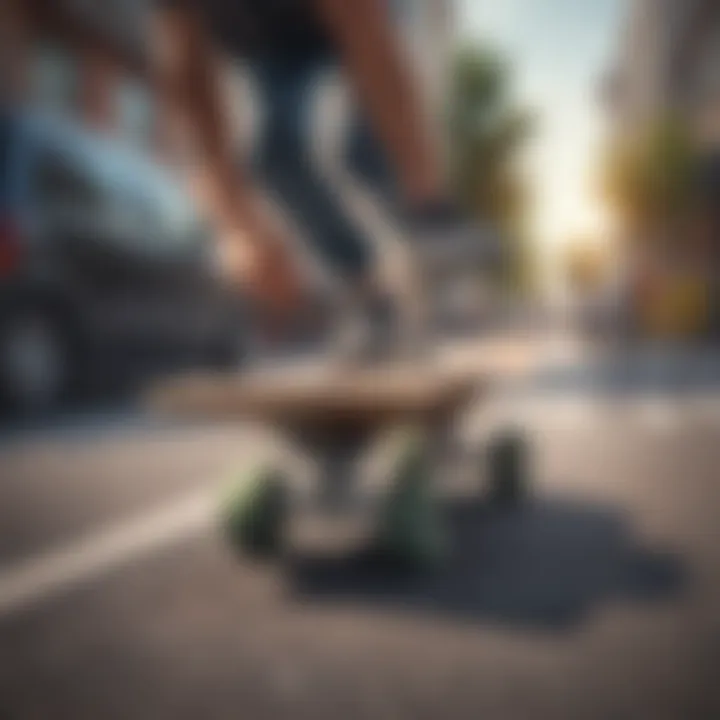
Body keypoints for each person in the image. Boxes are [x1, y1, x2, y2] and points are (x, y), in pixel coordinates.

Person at [152, 0, 494, 354]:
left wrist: (427, 198)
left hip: (354, 19)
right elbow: (190, 84)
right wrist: (240, 228)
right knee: (276, 156)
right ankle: (366, 296)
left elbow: (372, 46)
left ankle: (433, 230)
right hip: (273, 48)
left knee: (363, 144)